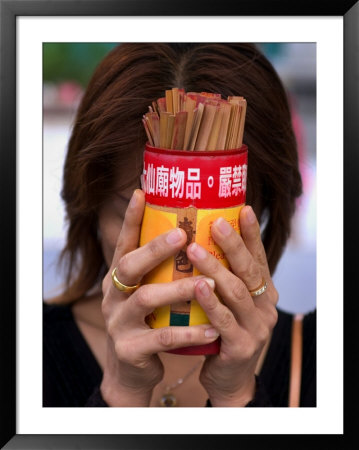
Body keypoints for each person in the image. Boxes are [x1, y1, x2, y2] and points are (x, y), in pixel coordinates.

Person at [43, 43, 316, 407]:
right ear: (90, 203)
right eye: (143, 216)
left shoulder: (321, 360)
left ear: (264, 209)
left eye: (214, 224)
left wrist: (236, 395)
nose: (185, 255)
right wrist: (122, 392)